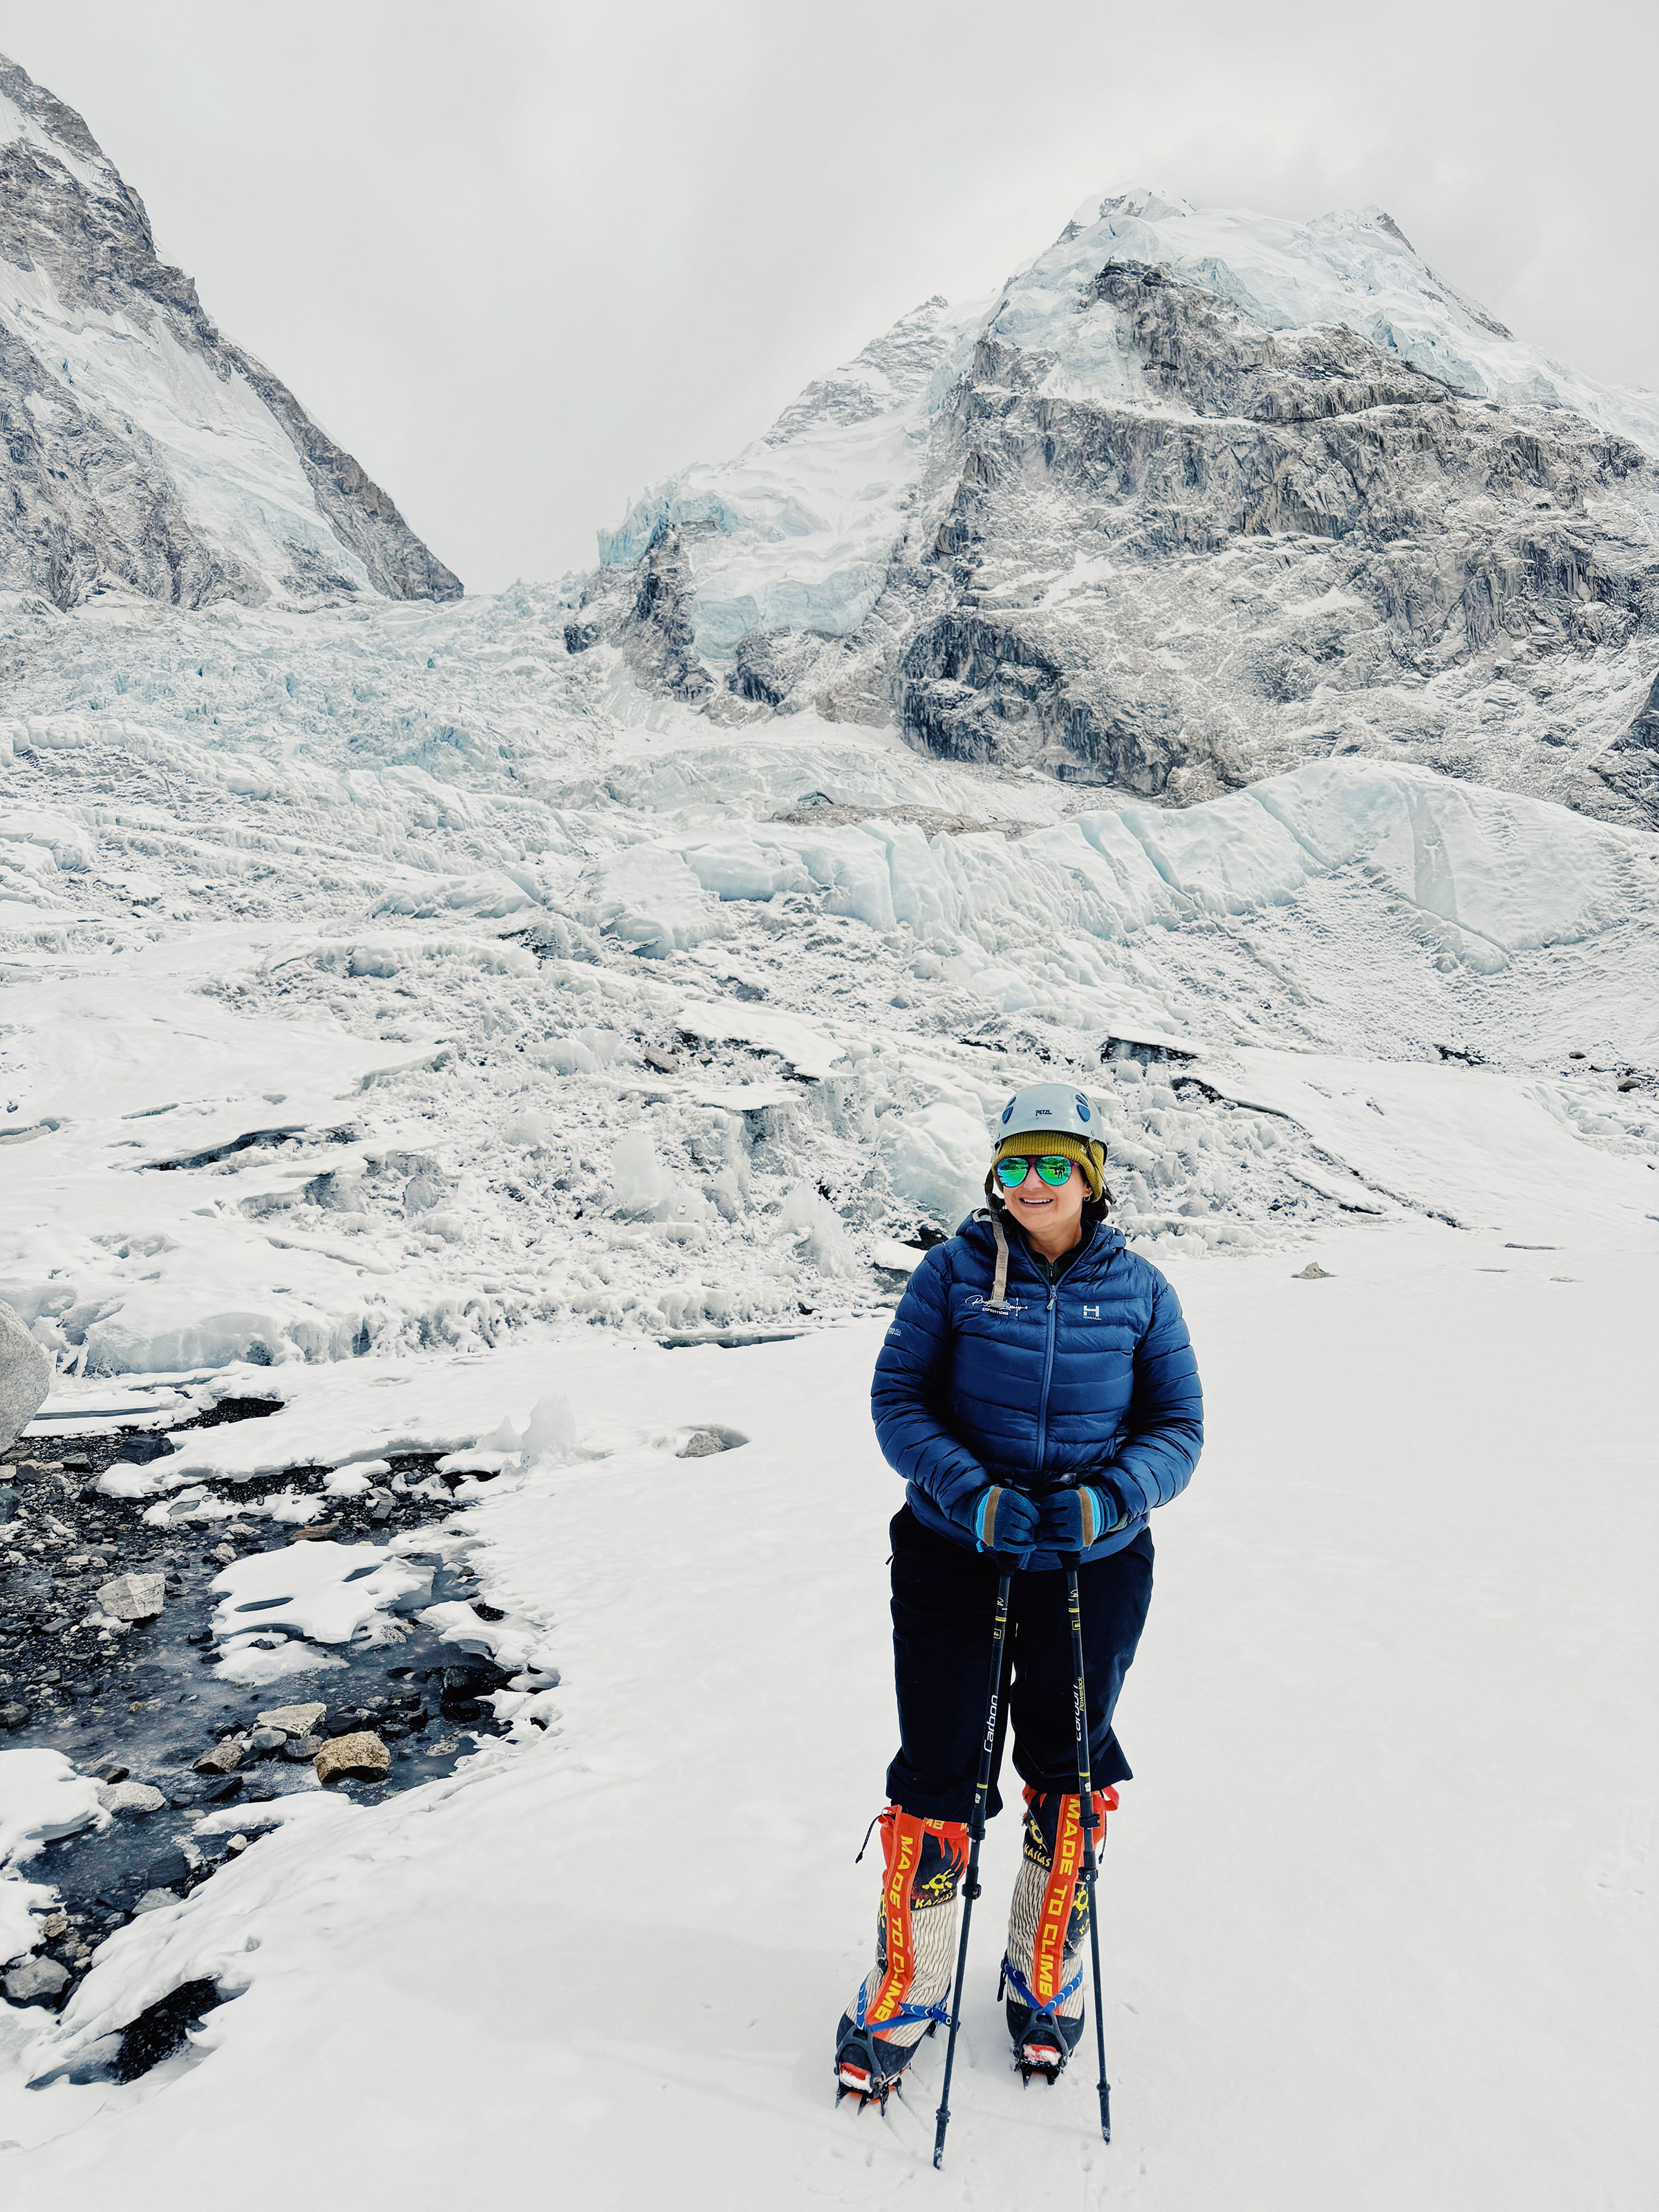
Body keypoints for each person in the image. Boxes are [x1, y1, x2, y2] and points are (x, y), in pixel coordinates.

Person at [834, 1082, 1203, 2103]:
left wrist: (1109, 1502)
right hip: (958, 1556)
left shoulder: (1140, 1290)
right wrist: (970, 1493)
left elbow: (1178, 1428)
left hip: (1092, 1567)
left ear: (1089, 1177)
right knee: (940, 1770)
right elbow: (898, 1400)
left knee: (1069, 1766)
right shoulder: (951, 1275)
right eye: (1013, 1166)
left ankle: (1042, 1969)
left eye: (1052, 1165)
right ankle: (909, 1984)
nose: (1030, 1184)